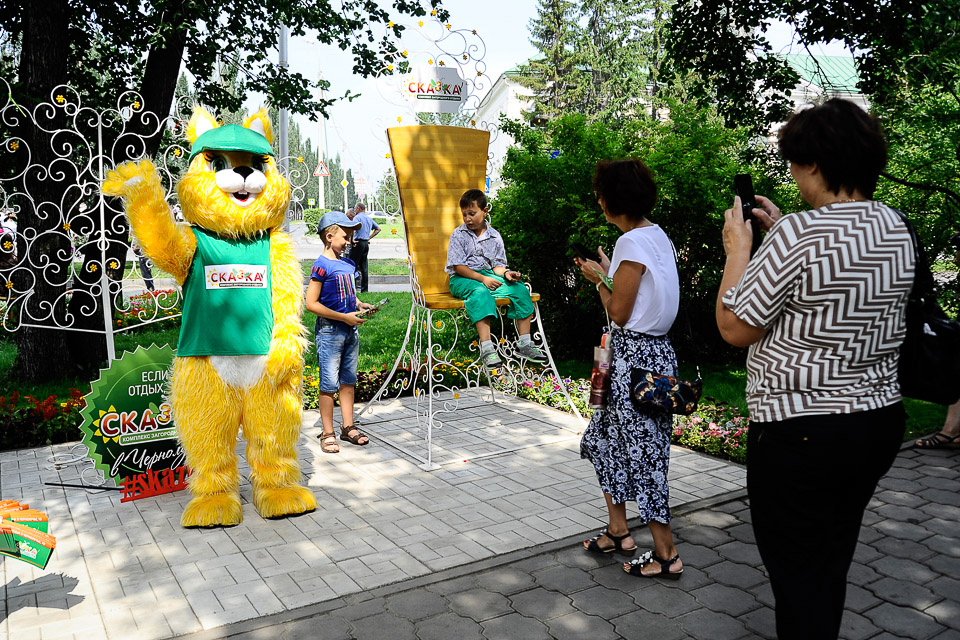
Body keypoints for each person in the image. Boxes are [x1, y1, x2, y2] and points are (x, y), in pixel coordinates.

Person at [716, 98, 913, 640]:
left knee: (798, 577)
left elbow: (734, 328)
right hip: (876, 421)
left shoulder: (797, 236)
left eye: (795, 162)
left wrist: (739, 250)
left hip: (801, 433)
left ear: (816, 164)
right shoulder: (896, 225)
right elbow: (836, 276)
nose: (793, 173)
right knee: (829, 560)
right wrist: (782, 229)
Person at [574, 159, 683, 580]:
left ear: (608, 201)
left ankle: (667, 553)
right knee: (602, 438)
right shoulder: (655, 235)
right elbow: (639, 298)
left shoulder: (630, 243)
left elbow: (619, 312)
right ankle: (618, 531)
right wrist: (610, 274)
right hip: (640, 354)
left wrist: (597, 279)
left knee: (644, 453)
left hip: (633, 360)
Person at [445, 188, 547, 368]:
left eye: (472, 214)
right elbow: (458, 267)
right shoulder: (458, 235)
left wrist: (507, 274)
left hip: (487, 275)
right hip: (462, 278)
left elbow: (497, 266)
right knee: (480, 292)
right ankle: (487, 348)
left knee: (520, 289)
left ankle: (525, 343)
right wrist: (482, 279)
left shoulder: (494, 236)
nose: (467, 219)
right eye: (464, 215)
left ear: (485, 211)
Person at [306, 211, 378, 454]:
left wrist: (359, 304)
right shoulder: (321, 265)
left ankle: (348, 427)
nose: (349, 241)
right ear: (329, 237)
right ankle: (328, 433)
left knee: (348, 380)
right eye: (345, 237)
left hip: (350, 331)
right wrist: (343, 317)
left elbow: (348, 293)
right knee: (329, 383)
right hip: (330, 332)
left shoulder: (347, 264)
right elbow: (311, 304)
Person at [350, 201, 380, 293]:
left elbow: (352, 228)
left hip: (357, 243)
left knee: (352, 265)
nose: (354, 210)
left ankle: (351, 288)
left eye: (355, 209)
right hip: (365, 244)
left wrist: (351, 240)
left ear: (358, 208)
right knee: (364, 267)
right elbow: (378, 229)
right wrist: (369, 238)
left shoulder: (357, 218)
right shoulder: (368, 218)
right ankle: (364, 289)